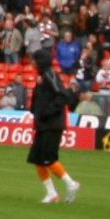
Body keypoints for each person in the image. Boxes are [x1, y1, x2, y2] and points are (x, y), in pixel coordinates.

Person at [28, 54, 81, 205]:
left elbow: (63, 96)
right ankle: (51, 193)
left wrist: (46, 112)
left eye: (34, 60)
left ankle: (71, 184)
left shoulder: (50, 75)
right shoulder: (43, 77)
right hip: (43, 124)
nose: (32, 63)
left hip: (52, 124)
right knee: (37, 159)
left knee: (48, 159)